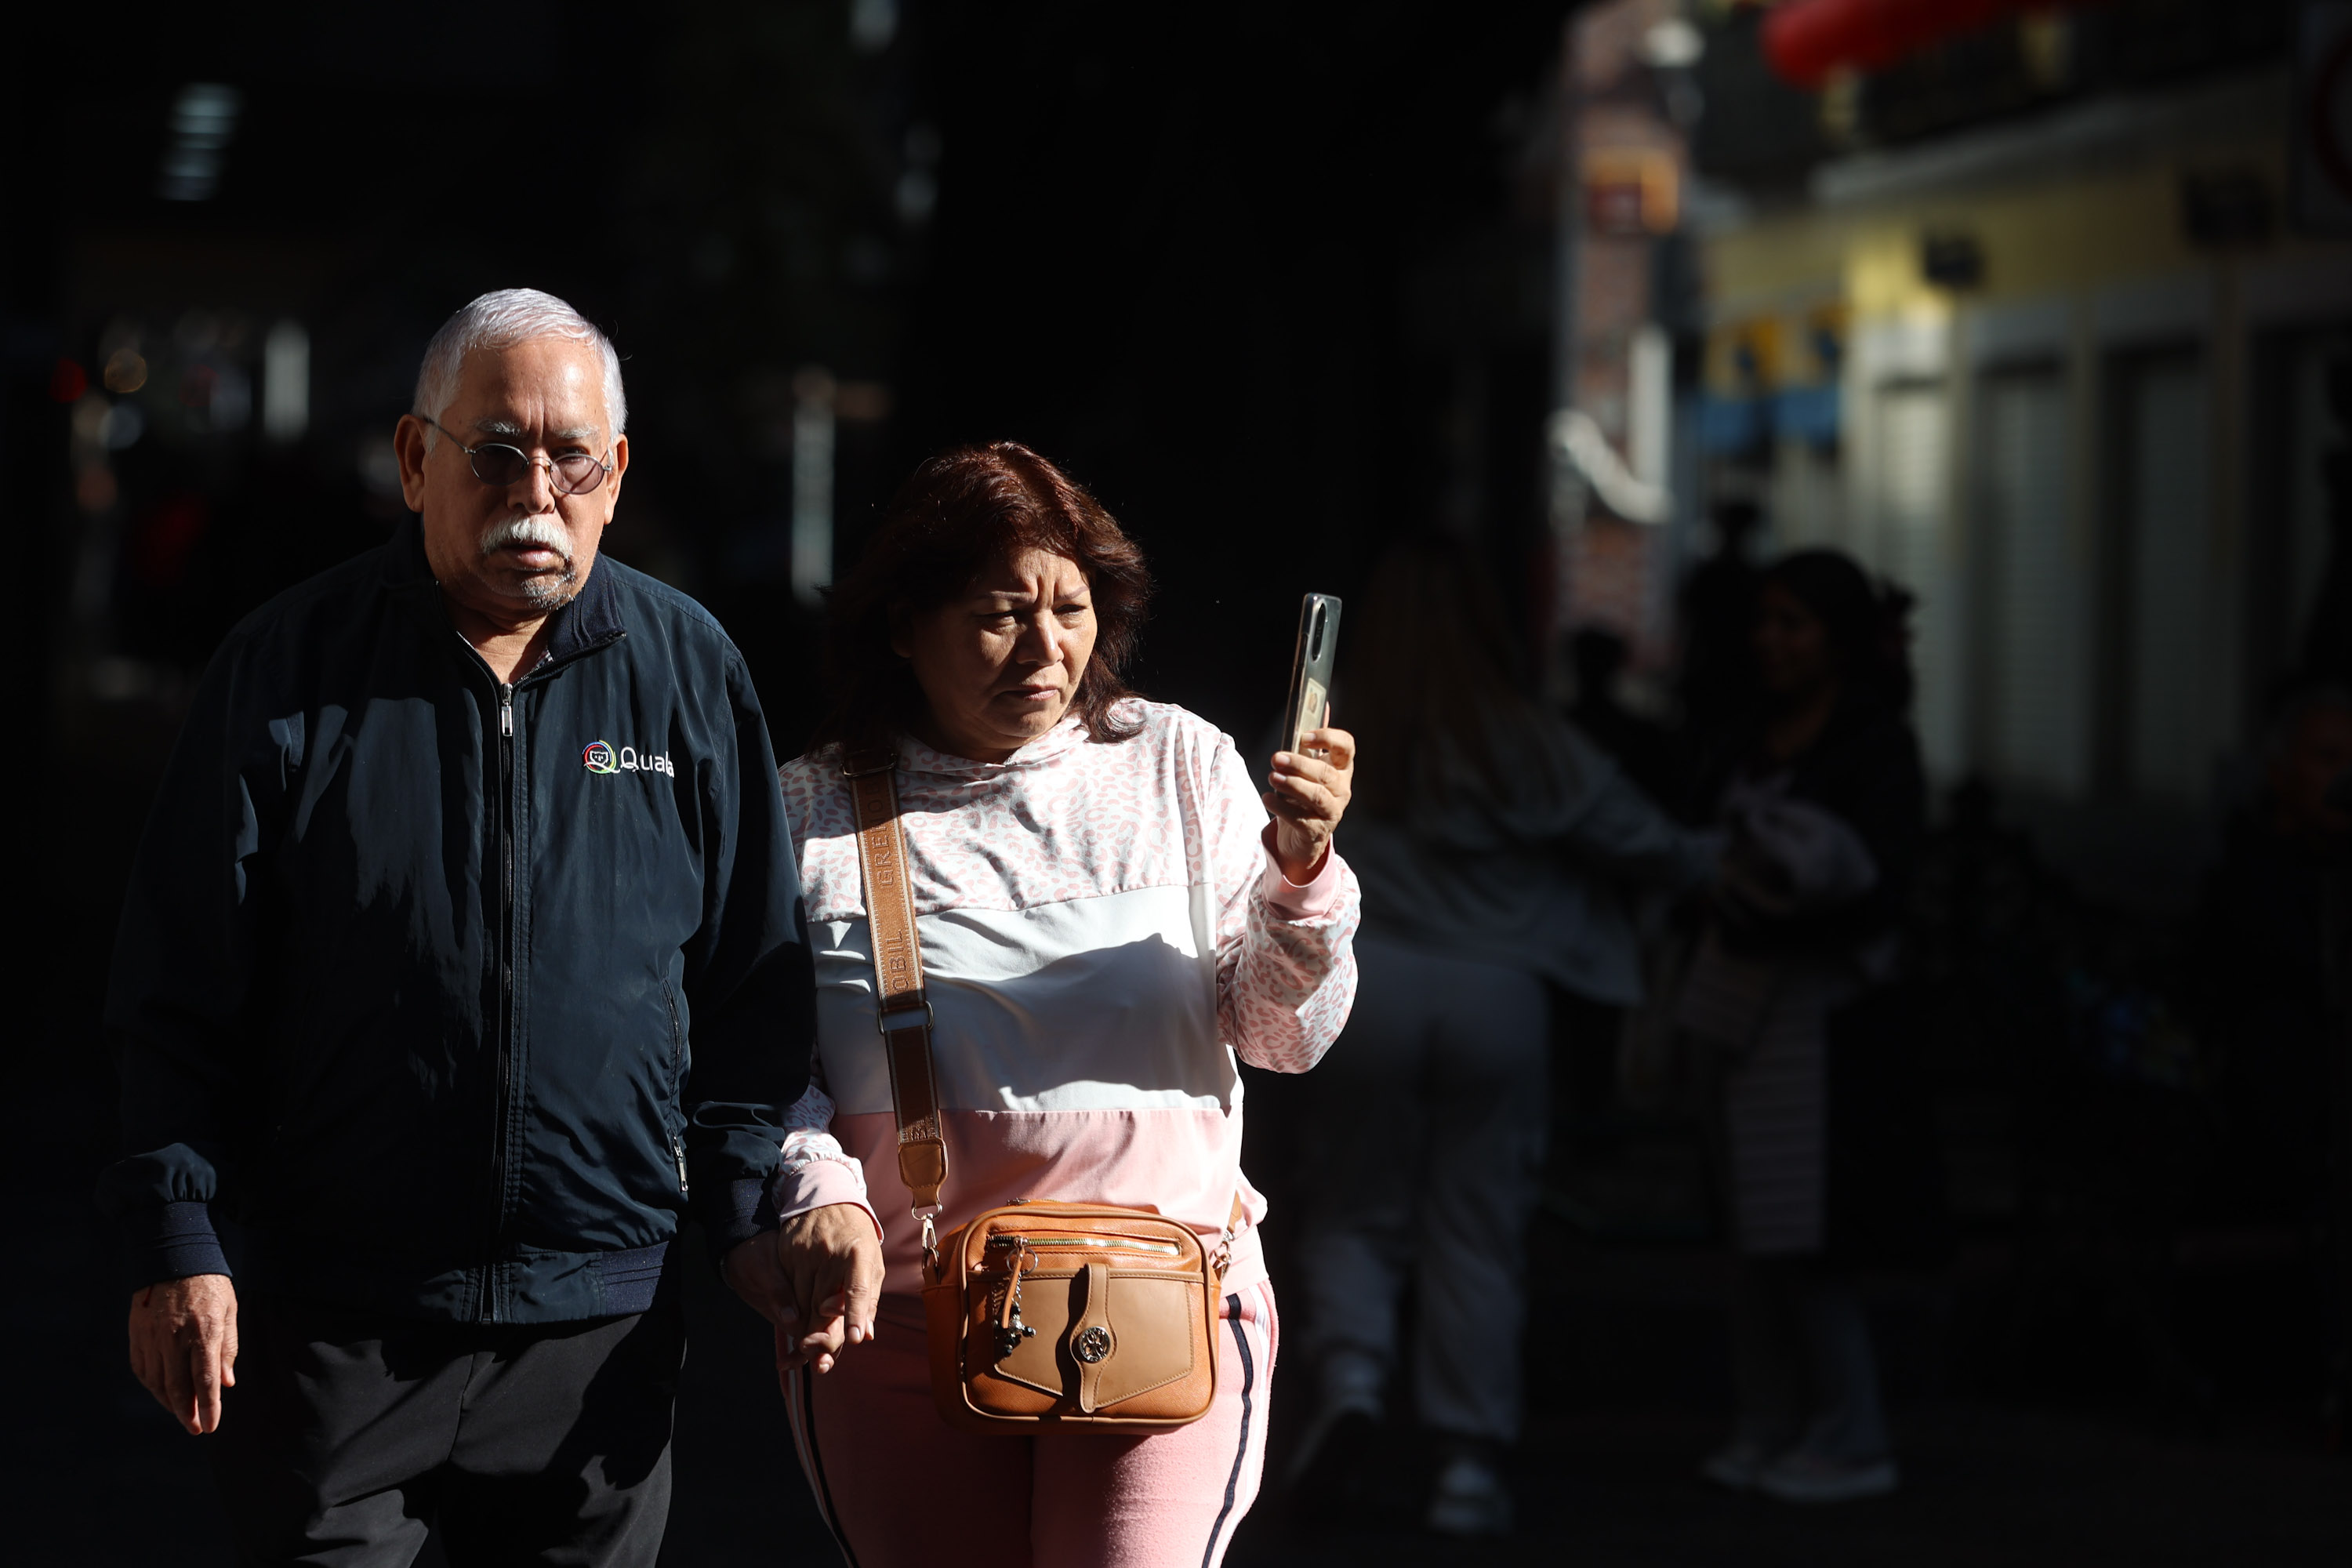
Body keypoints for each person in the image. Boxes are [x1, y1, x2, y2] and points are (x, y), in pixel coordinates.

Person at [97, 289, 815, 1565]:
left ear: (616, 474)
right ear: (417, 460)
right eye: (494, 451)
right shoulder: (288, 668)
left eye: (569, 455)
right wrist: (178, 1236)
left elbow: (751, 978)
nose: (534, 487)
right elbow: (176, 984)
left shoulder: (690, 670)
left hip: (601, 1331)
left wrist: (745, 1199)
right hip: (337, 1329)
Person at [744, 441, 1360, 1568]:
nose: (1047, 649)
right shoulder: (810, 810)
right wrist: (812, 1189)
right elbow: (752, 1065)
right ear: (900, 625)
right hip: (895, 1327)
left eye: (1072, 610)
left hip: (1164, 1308)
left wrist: (1303, 874)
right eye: (1000, 614)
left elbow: (1284, 1035)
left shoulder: (1179, 765)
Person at [1282, 537, 1719, 1537]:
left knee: (1355, 1202)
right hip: (1501, 998)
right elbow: (1645, 842)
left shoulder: (1324, 724)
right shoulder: (1527, 734)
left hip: (1371, 989)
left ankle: (1351, 1380)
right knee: (1478, 1226)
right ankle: (1468, 1465)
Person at [1677, 548, 1926, 1504]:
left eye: (1795, 623)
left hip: (1820, 1023)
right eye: (1766, 621)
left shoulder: (1872, 745)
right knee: (1751, 1231)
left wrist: (1772, 908)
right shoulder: (1749, 734)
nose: (1772, 641)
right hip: (1735, 1010)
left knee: (1806, 1231)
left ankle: (1848, 1431)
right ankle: (1772, 1420)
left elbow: (1882, 891)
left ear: (1840, 637)